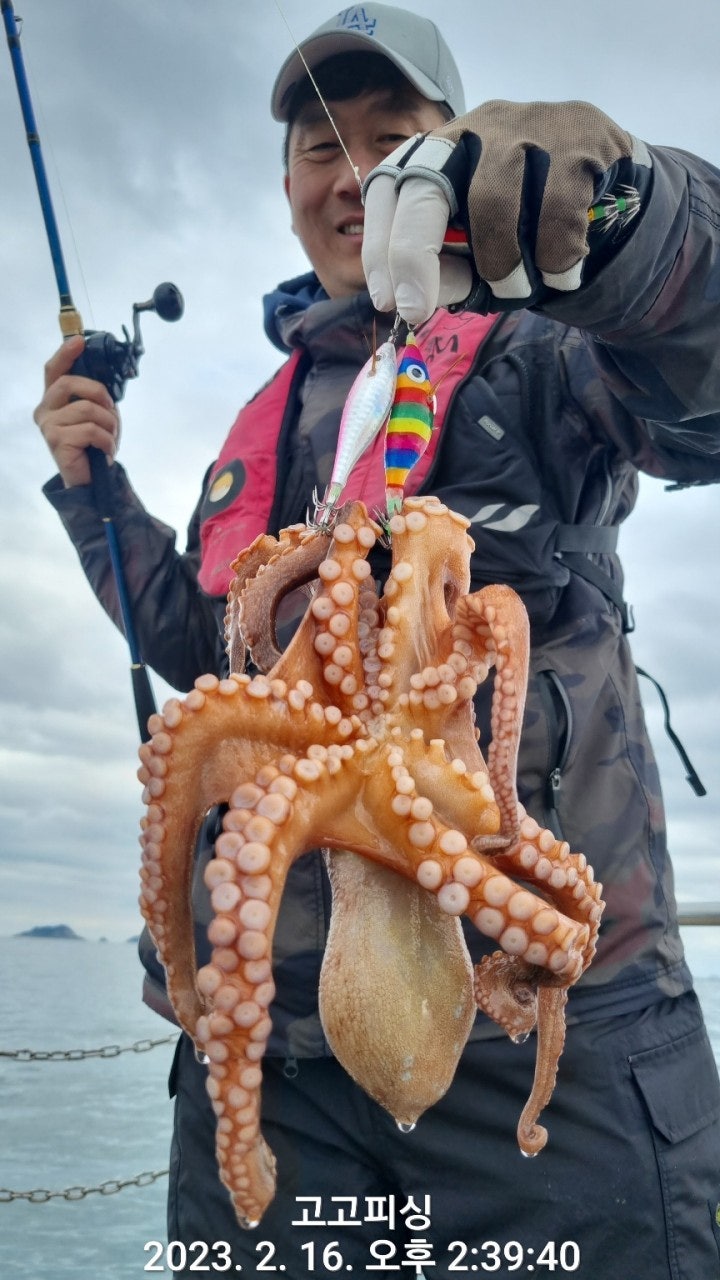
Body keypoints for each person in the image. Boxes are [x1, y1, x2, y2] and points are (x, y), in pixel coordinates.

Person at [33, 5, 720, 1277]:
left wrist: (633, 222)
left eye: (391, 136)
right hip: (277, 1063)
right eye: (318, 145)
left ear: (455, 152)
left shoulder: (553, 349)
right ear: (288, 185)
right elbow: (210, 651)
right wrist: (95, 492)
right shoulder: (262, 415)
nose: (350, 173)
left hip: (550, 1041)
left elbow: (704, 391)